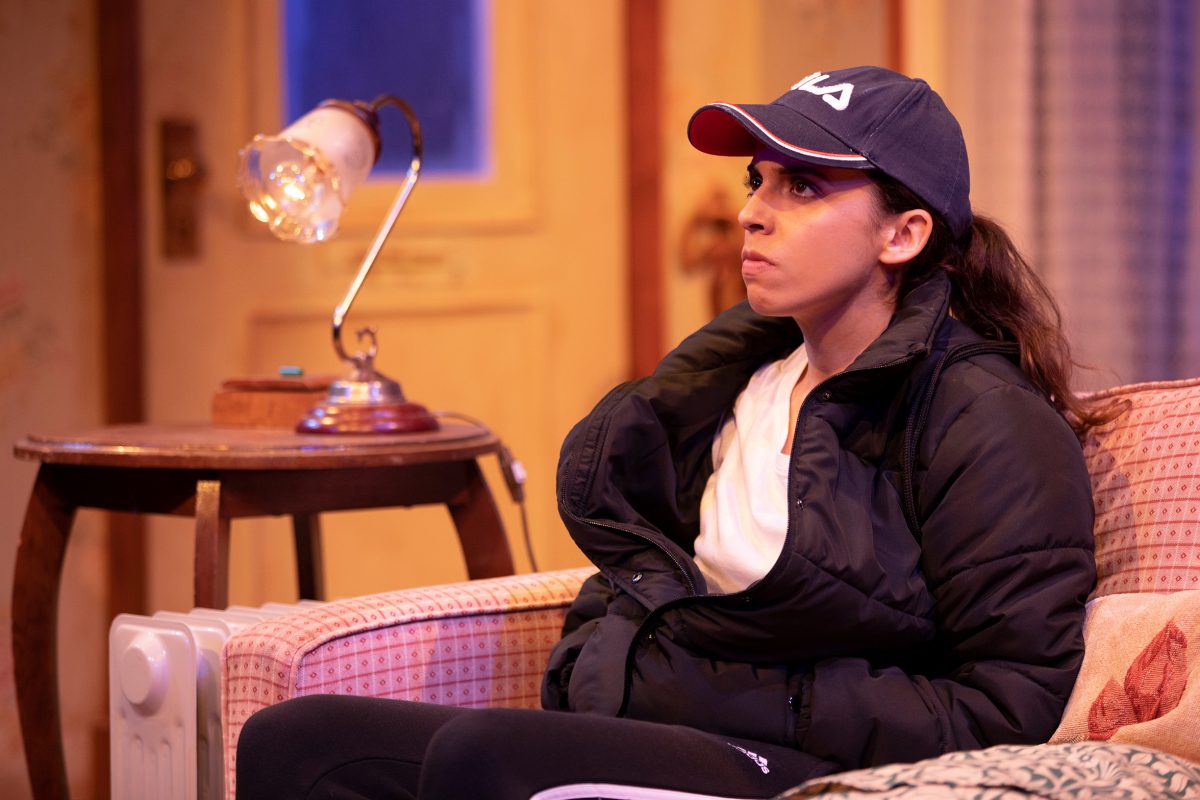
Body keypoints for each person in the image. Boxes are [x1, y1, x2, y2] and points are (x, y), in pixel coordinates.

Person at [236, 65, 1108, 800]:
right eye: (756, 183)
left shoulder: (985, 418)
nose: (753, 214)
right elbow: (642, 578)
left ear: (903, 233)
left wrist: (728, 695)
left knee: (488, 758)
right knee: (301, 742)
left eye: (800, 186)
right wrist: (601, 665)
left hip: (814, 766)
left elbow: (1011, 705)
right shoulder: (736, 384)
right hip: (675, 724)